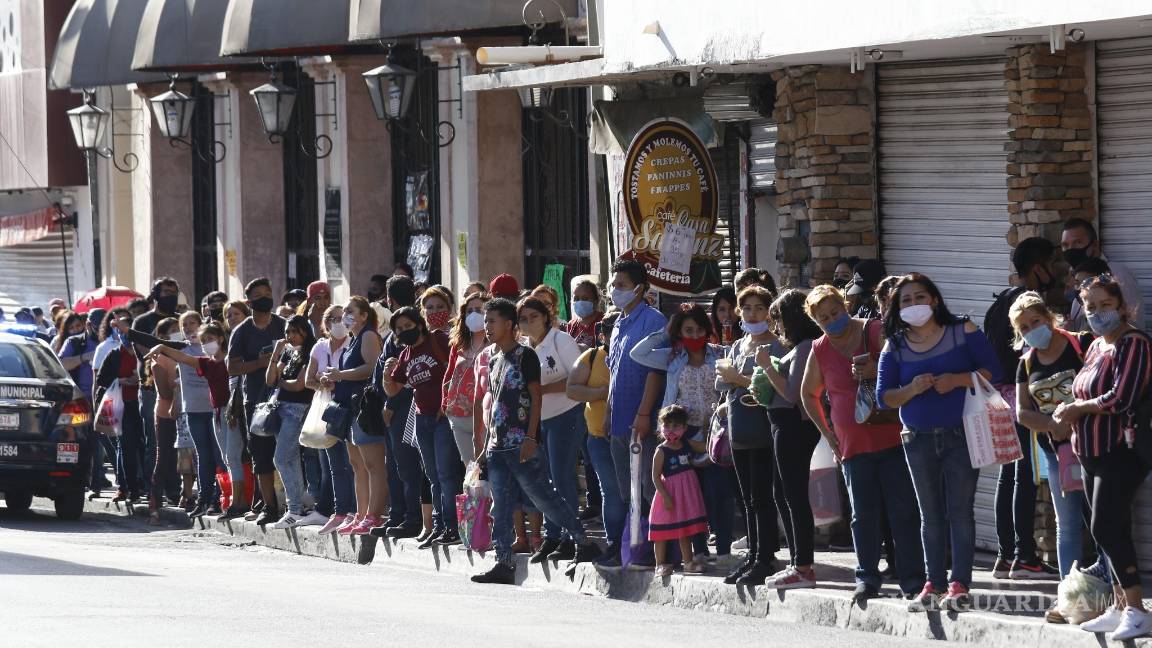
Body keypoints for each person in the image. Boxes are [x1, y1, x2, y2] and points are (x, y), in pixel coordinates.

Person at [877, 273, 1001, 613]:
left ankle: (959, 584)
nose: (914, 303)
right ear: (896, 308)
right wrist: (912, 389)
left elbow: (994, 370)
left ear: (934, 299)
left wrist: (959, 380)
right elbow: (884, 397)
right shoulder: (895, 345)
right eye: (906, 300)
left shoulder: (963, 330)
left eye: (920, 296)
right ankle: (933, 583)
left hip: (962, 434)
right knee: (930, 514)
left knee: (960, 511)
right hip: (917, 438)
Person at [801, 284, 924, 603]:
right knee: (863, 516)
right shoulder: (820, 348)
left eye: (835, 312)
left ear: (845, 306)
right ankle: (866, 578)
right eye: (824, 318)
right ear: (816, 321)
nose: (832, 321)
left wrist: (876, 369)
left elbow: (907, 367)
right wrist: (828, 434)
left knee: (903, 512)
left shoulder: (874, 330)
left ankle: (912, 579)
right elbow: (808, 394)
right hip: (852, 446)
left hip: (892, 438)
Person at [470, 298, 603, 585]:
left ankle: (582, 541)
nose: (487, 326)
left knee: (544, 497)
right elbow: (494, 405)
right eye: (486, 321)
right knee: (500, 507)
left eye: (492, 321)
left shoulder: (525, 356)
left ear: (509, 324)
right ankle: (503, 562)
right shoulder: (493, 359)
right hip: (497, 446)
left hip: (521, 443)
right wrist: (484, 445)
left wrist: (531, 436)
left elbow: (535, 397)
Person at [1053, 275, 1152, 640]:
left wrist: (1077, 408)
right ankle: (1120, 607)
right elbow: (1084, 387)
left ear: (1121, 306)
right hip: (1089, 451)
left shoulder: (1134, 343)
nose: (1097, 313)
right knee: (1112, 530)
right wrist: (1067, 409)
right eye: (1090, 307)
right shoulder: (1096, 345)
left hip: (1121, 450)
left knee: (1105, 527)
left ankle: (1137, 610)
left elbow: (1121, 397)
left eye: (1105, 305)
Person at [1009, 292, 1091, 622]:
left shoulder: (1081, 345)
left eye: (1036, 321)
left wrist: (1075, 418)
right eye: (1024, 327)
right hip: (1058, 455)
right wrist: (1052, 425)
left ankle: (1115, 594)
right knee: (1067, 525)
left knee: (1104, 521)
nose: (1032, 330)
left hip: (1095, 448)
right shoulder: (1027, 363)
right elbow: (1022, 412)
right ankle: (1070, 598)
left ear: (1049, 317)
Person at [630, 306, 732, 567]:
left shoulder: (721, 354)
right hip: (683, 437)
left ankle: (724, 550)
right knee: (690, 495)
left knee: (720, 492)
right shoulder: (672, 357)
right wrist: (666, 332)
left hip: (716, 432)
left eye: (699, 329)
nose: (695, 335)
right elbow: (638, 353)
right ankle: (699, 551)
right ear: (679, 333)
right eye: (688, 330)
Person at [985, 238, 1060, 582]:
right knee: (1025, 477)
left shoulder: (1000, 300)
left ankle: (1005, 555)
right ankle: (1025, 557)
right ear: (1038, 268)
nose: (1056, 271)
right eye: (1052, 264)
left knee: (1009, 475)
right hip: (1022, 400)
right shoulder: (1027, 305)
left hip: (999, 398)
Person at [755, 289, 825, 588]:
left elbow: (793, 393)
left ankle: (803, 566)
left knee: (794, 494)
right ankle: (798, 560)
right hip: (781, 425)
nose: (777, 327)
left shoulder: (806, 346)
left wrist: (766, 365)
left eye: (779, 319)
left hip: (794, 425)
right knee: (781, 492)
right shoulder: (799, 347)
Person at [715, 285, 782, 585]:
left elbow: (771, 387)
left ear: (769, 312)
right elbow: (722, 384)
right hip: (738, 428)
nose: (752, 314)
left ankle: (765, 557)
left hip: (763, 429)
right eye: (746, 308)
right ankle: (753, 554)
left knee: (761, 496)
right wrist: (729, 379)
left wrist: (737, 379)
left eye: (759, 308)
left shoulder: (776, 346)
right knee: (746, 498)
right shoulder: (738, 345)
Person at [605, 259, 667, 571]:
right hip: (618, 419)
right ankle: (632, 546)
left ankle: (655, 550)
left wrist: (644, 413)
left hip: (642, 419)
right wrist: (608, 412)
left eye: (621, 285)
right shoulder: (618, 323)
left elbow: (656, 371)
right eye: (613, 284)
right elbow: (614, 369)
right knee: (626, 489)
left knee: (645, 486)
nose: (614, 290)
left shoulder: (654, 321)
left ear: (639, 289)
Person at [144, 322, 239, 518]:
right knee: (205, 458)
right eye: (203, 341)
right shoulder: (206, 362)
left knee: (225, 458)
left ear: (221, 339)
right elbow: (183, 357)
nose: (206, 344)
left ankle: (225, 498)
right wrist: (161, 347)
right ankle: (204, 500)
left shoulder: (231, 360)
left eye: (210, 339)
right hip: (215, 414)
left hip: (231, 414)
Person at [383, 306, 459, 545]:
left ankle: (453, 526)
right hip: (421, 418)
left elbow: (457, 367)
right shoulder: (405, 355)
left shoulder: (437, 339)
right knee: (432, 475)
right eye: (399, 329)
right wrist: (386, 375)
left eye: (408, 325)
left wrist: (447, 402)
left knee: (446, 474)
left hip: (443, 417)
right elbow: (393, 390)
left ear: (419, 323)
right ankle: (439, 525)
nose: (405, 330)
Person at [518, 296, 586, 563]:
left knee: (562, 477)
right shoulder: (524, 348)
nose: (529, 322)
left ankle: (570, 537)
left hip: (566, 414)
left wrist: (542, 389)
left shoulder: (561, 340)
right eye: (523, 319)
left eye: (534, 316)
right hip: (538, 421)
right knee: (543, 480)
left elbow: (577, 378)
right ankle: (553, 535)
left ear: (546, 317)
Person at [320, 297, 386, 535]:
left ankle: (374, 516)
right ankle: (361, 514)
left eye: (350, 311)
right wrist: (334, 379)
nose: (345, 316)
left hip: (364, 408)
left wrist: (341, 375)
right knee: (357, 465)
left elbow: (371, 367)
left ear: (364, 315)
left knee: (373, 464)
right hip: (349, 408)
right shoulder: (353, 339)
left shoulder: (368, 335)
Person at [567, 313, 624, 565]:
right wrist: (601, 392)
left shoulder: (634, 355)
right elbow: (572, 389)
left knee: (632, 492)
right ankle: (614, 544)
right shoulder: (591, 357)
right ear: (603, 336)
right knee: (611, 491)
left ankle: (635, 542)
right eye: (612, 332)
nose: (617, 336)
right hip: (599, 437)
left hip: (631, 437)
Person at [372, 276, 426, 540]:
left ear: (389, 299)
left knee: (407, 468)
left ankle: (412, 518)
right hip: (395, 408)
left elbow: (404, 374)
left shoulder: (407, 332)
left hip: (404, 409)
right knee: (395, 467)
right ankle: (397, 516)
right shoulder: (396, 331)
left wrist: (391, 403)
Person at [227, 278, 286, 519]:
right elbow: (232, 367)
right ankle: (268, 506)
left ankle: (290, 504)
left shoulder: (283, 325)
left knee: (286, 452)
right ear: (249, 302)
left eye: (268, 293)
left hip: (284, 397)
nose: (265, 298)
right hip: (255, 400)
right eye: (258, 295)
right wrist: (259, 364)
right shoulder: (242, 331)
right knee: (260, 454)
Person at [264, 315, 317, 529]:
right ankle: (297, 507)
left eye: (295, 331)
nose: (291, 336)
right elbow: (270, 379)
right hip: (280, 408)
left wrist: (281, 381)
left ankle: (294, 508)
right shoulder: (287, 351)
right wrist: (275, 354)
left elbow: (299, 385)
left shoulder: (311, 350)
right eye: (288, 332)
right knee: (290, 459)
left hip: (297, 410)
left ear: (305, 331)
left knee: (281, 458)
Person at [304, 305, 354, 529]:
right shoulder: (319, 347)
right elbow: (308, 380)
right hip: (329, 410)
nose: (338, 322)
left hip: (349, 407)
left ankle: (353, 510)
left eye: (342, 317)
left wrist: (339, 380)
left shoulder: (353, 343)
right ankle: (340, 511)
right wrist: (322, 383)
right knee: (334, 464)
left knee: (353, 463)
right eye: (333, 318)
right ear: (325, 324)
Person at [133, 277, 182, 503]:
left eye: (174, 292)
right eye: (166, 292)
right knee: (155, 442)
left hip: (180, 386)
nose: (170, 296)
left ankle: (174, 489)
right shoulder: (143, 321)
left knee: (178, 442)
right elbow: (144, 351)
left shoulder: (180, 320)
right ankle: (152, 488)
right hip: (152, 388)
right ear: (155, 295)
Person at [649, 405, 710, 576]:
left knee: (685, 531)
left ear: (684, 427)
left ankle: (688, 562)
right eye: (667, 425)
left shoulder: (688, 444)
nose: (671, 430)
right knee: (661, 533)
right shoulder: (661, 451)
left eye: (676, 425)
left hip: (686, 496)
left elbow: (707, 447)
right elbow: (655, 476)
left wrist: (708, 428)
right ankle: (659, 564)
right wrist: (665, 496)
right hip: (668, 496)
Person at [93, 310, 145, 503]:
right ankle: (129, 488)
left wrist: (140, 379)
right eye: (119, 331)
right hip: (122, 407)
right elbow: (101, 379)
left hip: (142, 405)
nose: (123, 335)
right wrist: (121, 380)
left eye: (126, 331)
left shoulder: (144, 353)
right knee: (126, 447)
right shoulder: (114, 354)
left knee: (144, 447)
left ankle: (145, 485)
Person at [1062, 217, 1143, 328]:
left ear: (1094, 245)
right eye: (1065, 245)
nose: (1071, 249)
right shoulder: (1076, 276)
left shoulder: (1117, 274)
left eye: (1078, 242)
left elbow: (1133, 321)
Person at [442, 292, 489, 464]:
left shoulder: (496, 344)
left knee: (488, 467)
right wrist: (445, 403)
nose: (474, 314)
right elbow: (449, 374)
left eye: (479, 310)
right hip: (459, 417)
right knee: (470, 469)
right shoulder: (459, 344)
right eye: (469, 311)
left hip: (486, 417)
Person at [1065, 258, 1112, 333]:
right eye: (1077, 283)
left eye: (1087, 283)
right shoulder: (1076, 303)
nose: (1080, 288)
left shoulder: (1111, 308)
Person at [567, 278, 603, 350]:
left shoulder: (604, 322)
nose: (580, 302)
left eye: (585, 298)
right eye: (576, 299)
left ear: (595, 300)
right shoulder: (571, 325)